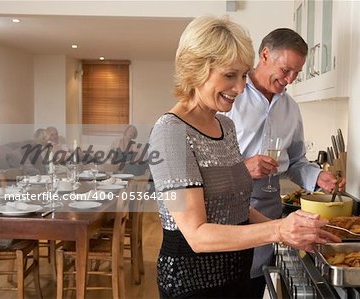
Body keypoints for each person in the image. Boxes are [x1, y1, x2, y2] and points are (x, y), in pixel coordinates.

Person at [148, 16, 340, 299]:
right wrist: (278, 230)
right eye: (229, 76)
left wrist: (294, 230)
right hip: (192, 284)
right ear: (195, 69)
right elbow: (197, 235)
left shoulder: (224, 126)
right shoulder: (170, 134)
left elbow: (236, 206)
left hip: (236, 272)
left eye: (241, 76)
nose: (239, 88)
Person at [223, 28, 347, 297]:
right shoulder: (230, 98)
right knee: (228, 281)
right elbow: (205, 167)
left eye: (296, 74)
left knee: (255, 284)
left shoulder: (291, 108)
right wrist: (243, 168)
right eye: (286, 70)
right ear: (265, 54)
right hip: (228, 208)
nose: (290, 79)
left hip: (269, 209)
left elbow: (297, 161)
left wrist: (318, 177)